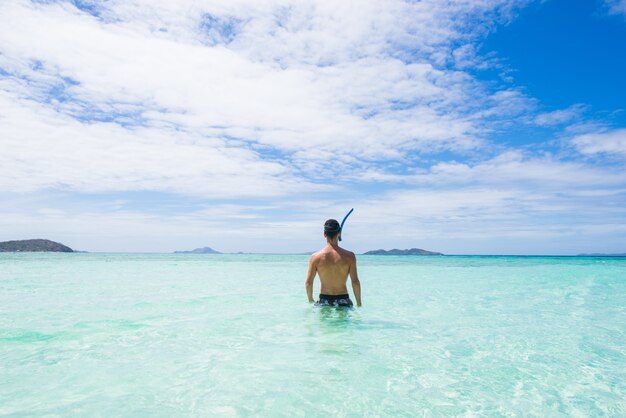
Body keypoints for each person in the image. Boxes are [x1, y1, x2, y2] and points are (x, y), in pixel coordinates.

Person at [305, 219, 362, 307]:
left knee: (324, 321)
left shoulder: (315, 257)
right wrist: (359, 303)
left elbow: (309, 282)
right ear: (339, 233)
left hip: (324, 300)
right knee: (342, 321)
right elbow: (355, 282)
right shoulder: (350, 256)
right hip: (343, 300)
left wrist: (310, 300)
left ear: (324, 234)